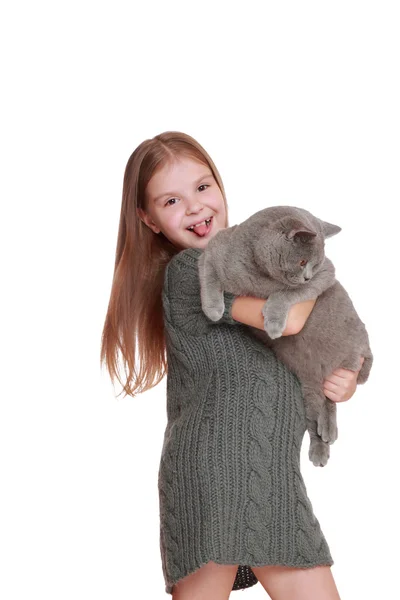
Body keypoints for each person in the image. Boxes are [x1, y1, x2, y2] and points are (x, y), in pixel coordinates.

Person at [100, 131, 364, 600]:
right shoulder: (189, 272)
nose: (196, 208)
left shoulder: (252, 268)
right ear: (149, 219)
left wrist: (342, 381)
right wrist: (316, 268)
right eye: (172, 200)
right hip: (214, 472)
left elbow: (314, 344)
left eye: (202, 187)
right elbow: (290, 319)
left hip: (272, 475)